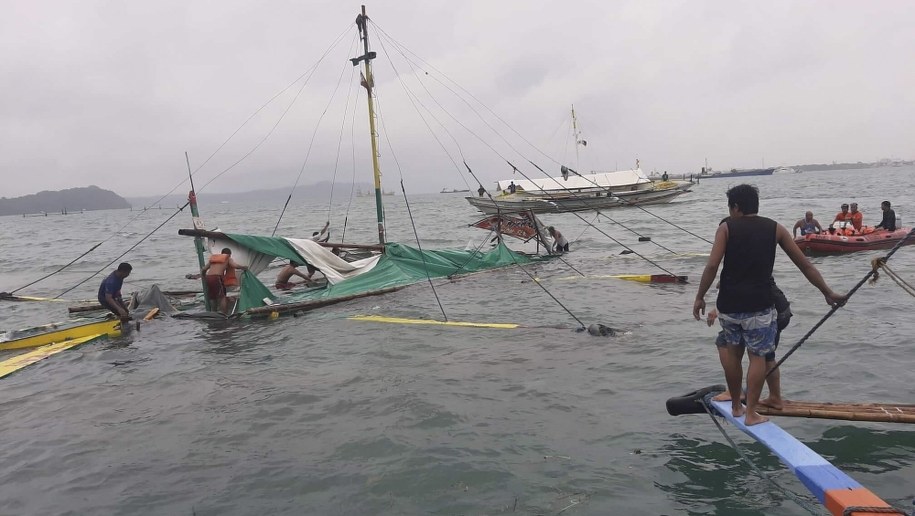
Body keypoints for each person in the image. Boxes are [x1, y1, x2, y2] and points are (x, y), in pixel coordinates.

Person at [693, 184, 846, 426]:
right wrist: (827, 292)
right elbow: (805, 265)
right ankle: (751, 413)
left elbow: (712, 265)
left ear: (736, 207)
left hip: (729, 305)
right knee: (758, 357)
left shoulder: (726, 228)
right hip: (759, 305)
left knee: (733, 353)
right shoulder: (776, 228)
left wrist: (700, 296)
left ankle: (736, 406)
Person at [707, 279, 792, 411]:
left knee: (723, 343)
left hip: (762, 310)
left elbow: (728, 285)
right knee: (767, 356)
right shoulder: (760, 267)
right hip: (780, 308)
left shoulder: (737, 272)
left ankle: (735, 392)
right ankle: (775, 398)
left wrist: (715, 307)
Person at [201, 248, 248, 315]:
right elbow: (235, 265)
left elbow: (204, 269)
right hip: (217, 277)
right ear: (229, 254)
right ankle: (224, 314)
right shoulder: (228, 258)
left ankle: (213, 313)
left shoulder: (214, 259)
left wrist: (203, 276)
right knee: (222, 297)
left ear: (222, 253)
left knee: (213, 297)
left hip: (209, 277)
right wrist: (243, 267)